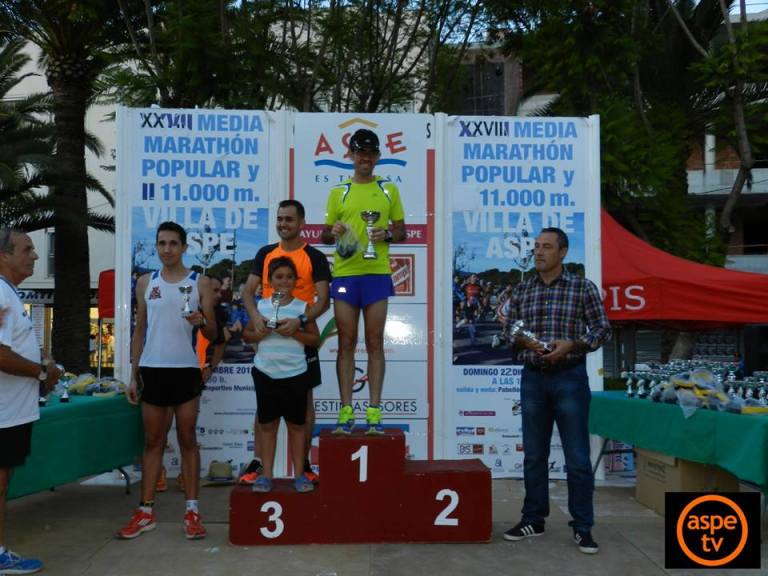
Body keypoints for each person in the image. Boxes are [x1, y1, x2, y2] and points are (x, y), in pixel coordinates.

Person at [502, 227, 611, 555]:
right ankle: (533, 519)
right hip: (533, 378)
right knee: (534, 455)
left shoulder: (582, 288)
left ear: (563, 252)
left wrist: (573, 345)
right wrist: (522, 340)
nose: (538, 252)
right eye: (536, 247)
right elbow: (510, 331)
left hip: (570, 378)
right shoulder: (521, 290)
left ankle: (582, 527)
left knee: (577, 458)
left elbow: (603, 328)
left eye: (546, 247)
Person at [118, 221, 217, 540]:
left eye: (174, 243)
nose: (167, 249)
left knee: (188, 440)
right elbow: (139, 329)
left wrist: (202, 322)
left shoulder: (200, 283)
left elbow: (214, 333)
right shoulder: (145, 282)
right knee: (152, 442)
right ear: (157, 246)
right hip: (152, 369)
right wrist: (133, 374)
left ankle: (192, 511)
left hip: (185, 370)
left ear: (184, 247)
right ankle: (145, 511)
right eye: (162, 243)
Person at [320, 128, 406, 434]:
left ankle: (374, 412)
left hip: (376, 273)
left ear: (378, 157)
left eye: (370, 153)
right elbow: (323, 234)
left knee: (374, 342)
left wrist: (387, 234)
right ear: (351, 156)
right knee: (345, 342)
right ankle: (346, 411)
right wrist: (336, 231)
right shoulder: (338, 192)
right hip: (345, 275)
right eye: (360, 153)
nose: (365, 158)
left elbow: (402, 231)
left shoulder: (388, 191)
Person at [242, 199, 331, 483]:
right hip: (269, 335)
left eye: (289, 220)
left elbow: (324, 299)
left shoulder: (314, 256)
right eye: (280, 219)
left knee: (304, 406)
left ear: (301, 223)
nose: (283, 224)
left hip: (300, 330)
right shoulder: (265, 253)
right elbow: (247, 292)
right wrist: (256, 315)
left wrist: (301, 321)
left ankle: (302, 466)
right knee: (265, 409)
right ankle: (260, 465)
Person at [0, 229, 62, 574]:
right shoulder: (0, 294)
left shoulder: (9, 294)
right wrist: (40, 372)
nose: (35, 257)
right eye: (26, 250)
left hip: (10, 412)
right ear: (3, 256)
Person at [243, 257, 320, 493]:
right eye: (279, 277)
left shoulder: (302, 308)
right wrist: (260, 331)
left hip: (296, 374)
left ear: (296, 280)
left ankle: (299, 476)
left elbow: (314, 340)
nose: (284, 281)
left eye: (289, 277)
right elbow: (247, 336)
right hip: (266, 373)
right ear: (269, 281)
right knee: (268, 426)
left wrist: (294, 331)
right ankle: (267, 476)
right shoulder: (261, 307)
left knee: (297, 426)